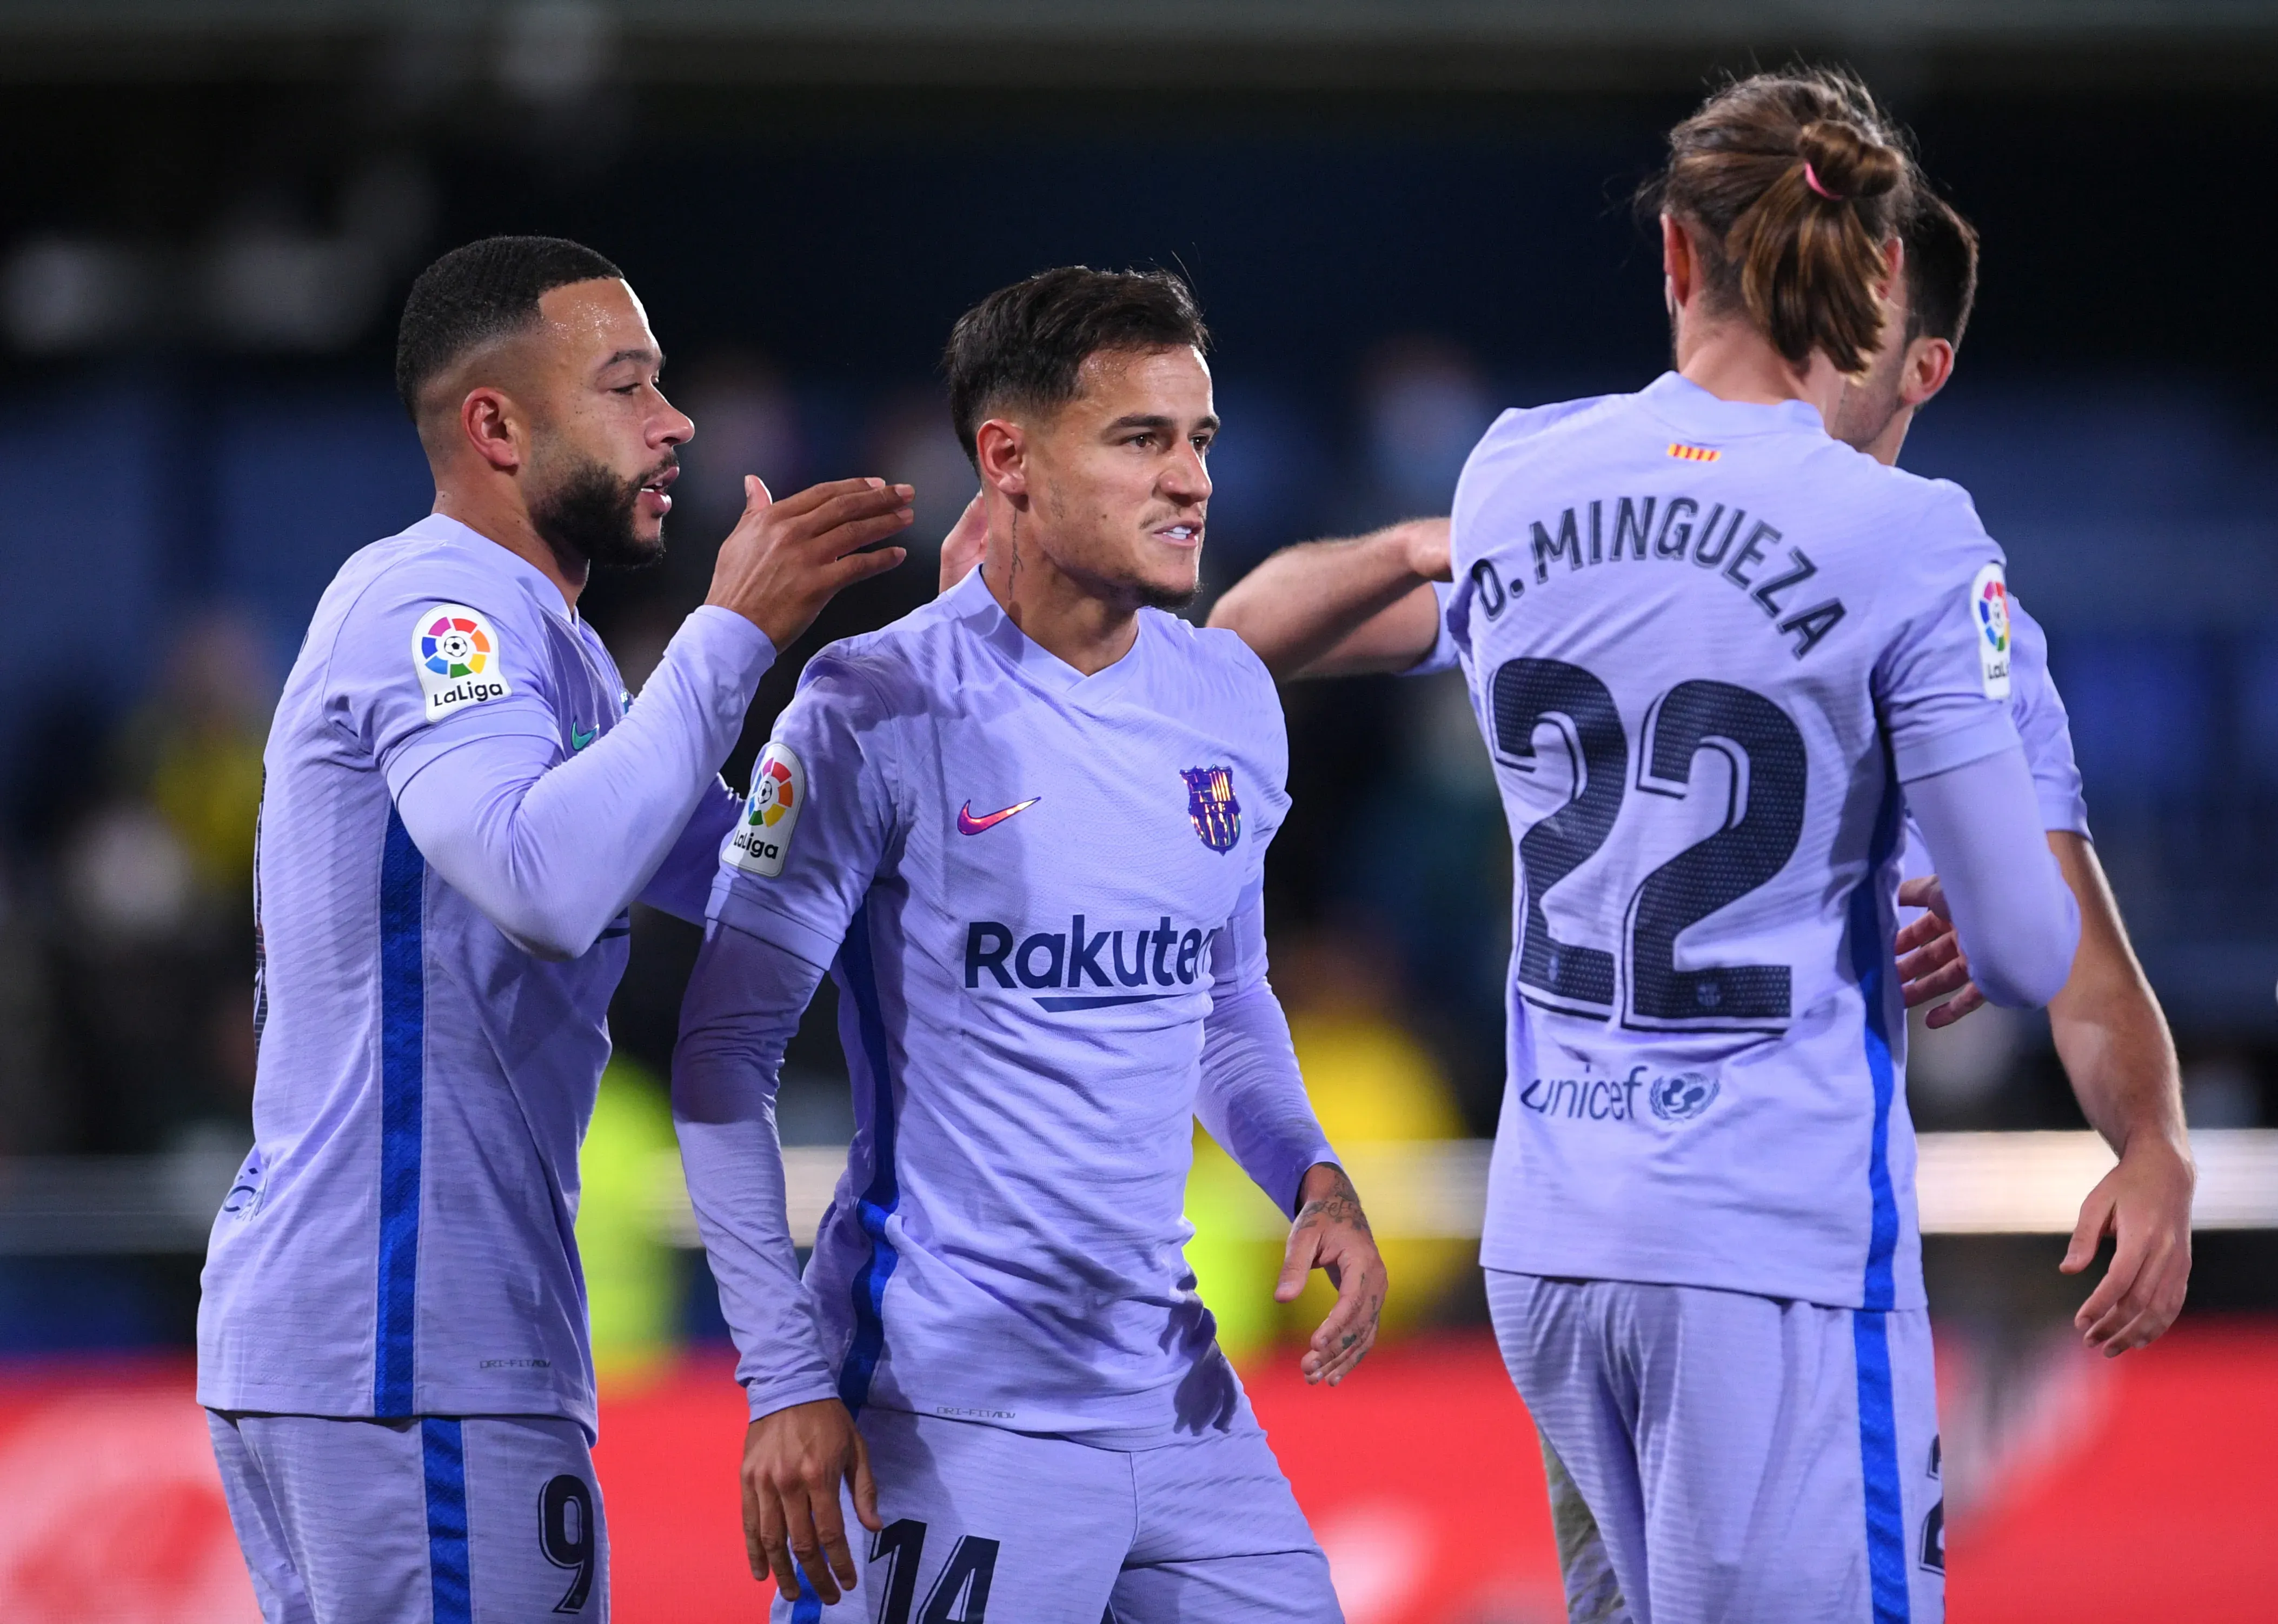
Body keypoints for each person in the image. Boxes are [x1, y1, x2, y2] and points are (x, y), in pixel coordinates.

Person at [1218, 67, 2088, 1622]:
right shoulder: (1905, 530)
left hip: (1553, 1235)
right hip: (1769, 1238)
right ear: (1872, 283)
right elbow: (2027, 949)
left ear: (1676, 259)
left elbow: (1240, 636)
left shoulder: (1508, 473)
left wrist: (1442, 544)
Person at [1210, 194, 2195, 1366]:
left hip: (1588, 1245)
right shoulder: (1636, 543)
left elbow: (2076, 951)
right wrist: (1435, 537)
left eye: (1852, 314)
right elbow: (1246, 636)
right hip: (1759, 1251)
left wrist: (2152, 1141)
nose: (1812, 336)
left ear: (1922, 367)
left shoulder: (1906, 592)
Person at [197, 234, 914, 1624]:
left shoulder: (558, 642)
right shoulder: (435, 607)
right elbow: (540, 877)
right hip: (409, 1343)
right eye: (628, 387)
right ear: (497, 427)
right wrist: (726, 639)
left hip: (396, 1345)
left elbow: (745, 876)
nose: (676, 424)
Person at [673, 265, 1383, 1623]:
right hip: (947, 1408)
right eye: (1141, 439)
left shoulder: (1226, 695)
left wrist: (1316, 1177)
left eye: (1202, 440)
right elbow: (722, 1055)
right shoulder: (869, 706)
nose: (1192, 481)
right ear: (1007, 457)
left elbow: (1225, 999)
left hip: (1179, 1398)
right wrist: (786, 1381)